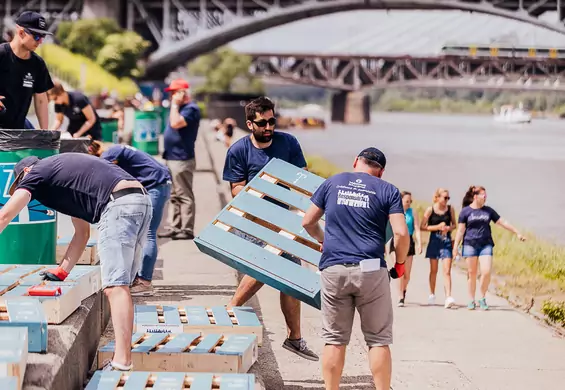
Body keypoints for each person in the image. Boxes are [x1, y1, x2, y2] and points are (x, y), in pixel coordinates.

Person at [0, 153, 152, 371]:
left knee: (115, 287)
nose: (26, 194)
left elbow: (4, 216)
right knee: (121, 285)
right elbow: (82, 233)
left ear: (25, 173)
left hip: (119, 205)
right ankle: (123, 357)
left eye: (20, 186)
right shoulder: (64, 180)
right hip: (139, 201)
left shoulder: (36, 172)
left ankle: (122, 361)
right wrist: (62, 271)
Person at [301, 147, 409, 390]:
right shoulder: (388, 190)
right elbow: (401, 233)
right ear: (380, 172)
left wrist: (323, 240)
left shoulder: (333, 182)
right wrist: (400, 264)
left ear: (355, 162)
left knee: (334, 339)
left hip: (333, 268)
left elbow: (308, 221)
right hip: (371, 269)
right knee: (378, 340)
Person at [222, 96, 318, 361]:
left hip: (282, 219)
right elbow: (236, 188)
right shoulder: (238, 150)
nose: (269, 127)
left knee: (291, 276)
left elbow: (302, 178)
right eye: (262, 123)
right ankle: (232, 309)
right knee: (269, 267)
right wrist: (262, 190)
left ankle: (294, 338)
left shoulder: (288, 143)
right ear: (250, 124)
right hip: (252, 220)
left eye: (272, 121)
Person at [88, 141, 171, 296]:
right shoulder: (117, 148)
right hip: (160, 184)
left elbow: (102, 173)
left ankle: (144, 281)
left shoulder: (109, 153)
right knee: (142, 234)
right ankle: (137, 278)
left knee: (148, 234)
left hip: (155, 186)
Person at [453, 186, 526, 310]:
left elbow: (503, 222)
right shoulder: (465, 211)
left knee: (486, 272)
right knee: (472, 273)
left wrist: (517, 232)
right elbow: (460, 231)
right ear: (475, 197)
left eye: (486, 196)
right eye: (483, 196)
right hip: (469, 244)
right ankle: (471, 299)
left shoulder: (488, 211)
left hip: (485, 244)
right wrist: (455, 248)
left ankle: (482, 297)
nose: (485, 198)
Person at [158, 79, 201, 240]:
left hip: (182, 158)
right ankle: (175, 227)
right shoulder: (181, 108)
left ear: (183, 93)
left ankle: (187, 229)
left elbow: (175, 123)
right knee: (174, 194)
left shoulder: (191, 109)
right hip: (172, 156)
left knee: (184, 194)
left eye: (174, 92)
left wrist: (175, 105)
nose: (171, 96)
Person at [0, 11, 53, 130]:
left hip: (17, 131)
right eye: (37, 36)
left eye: (43, 37)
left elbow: (41, 100)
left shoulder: (38, 64)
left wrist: (44, 133)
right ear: (21, 32)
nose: (40, 42)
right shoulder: (2, 54)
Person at [420, 188, 456, 308]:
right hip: (434, 240)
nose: (446, 200)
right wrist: (437, 227)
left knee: (447, 271)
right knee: (433, 270)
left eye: (448, 198)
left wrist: (448, 228)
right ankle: (432, 293)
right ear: (438, 197)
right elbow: (422, 226)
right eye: (444, 198)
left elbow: (454, 224)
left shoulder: (450, 210)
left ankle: (448, 296)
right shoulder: (430, 209)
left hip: (446, 241)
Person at [388, 191, 422, 307]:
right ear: (401, 200)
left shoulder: (413, 213)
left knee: (407, 274)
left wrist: (420, 243)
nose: (408, 203)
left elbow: (417, 228)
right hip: (396, 241)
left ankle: (403, 289)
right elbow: (388, 228)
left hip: (409, 242)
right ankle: (400, 296)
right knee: (400, 270)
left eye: (410, 201)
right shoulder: (395, 212)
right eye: (407, 201)